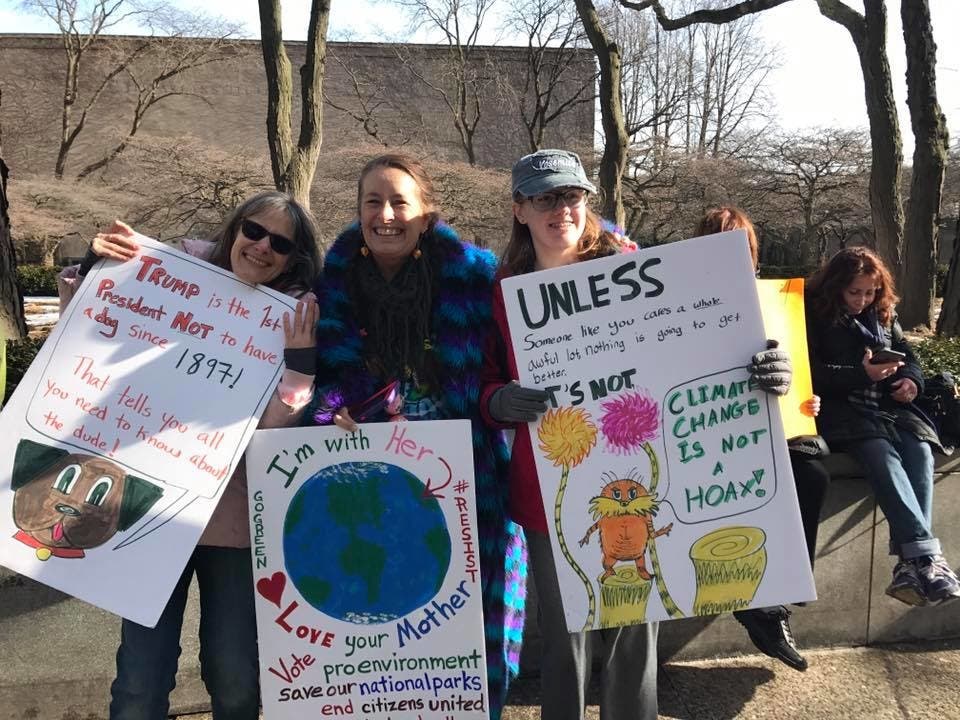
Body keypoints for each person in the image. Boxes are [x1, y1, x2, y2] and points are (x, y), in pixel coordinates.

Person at [480, 152, 790, 720]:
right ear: (520, 209)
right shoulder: (501, 294)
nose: (561, 209)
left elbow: (705, 346)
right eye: (544, 198)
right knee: (567, 636)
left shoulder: (643, 274)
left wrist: (764, 366)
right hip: (549, 491)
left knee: (633, 631)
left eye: (571, 195)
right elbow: (483, 379)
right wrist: (498, 401)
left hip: (641, 482)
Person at [58, 190, 322, 720]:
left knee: (237, 679)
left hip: (234, 523)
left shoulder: (295, 317)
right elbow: (85, 348)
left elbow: (272, 435)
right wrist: (95, 269)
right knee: (140, 680)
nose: (262, 247)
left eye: (280, 243)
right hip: (148, 512)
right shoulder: (169, 280)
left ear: (293, 258)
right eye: (254, 231)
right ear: (234, 229)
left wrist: (299, 369)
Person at [305, 153, 526, 720]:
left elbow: (539, 331)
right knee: (387, 633)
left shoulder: (477, 279)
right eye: (372, 201)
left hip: (471, 489)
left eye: (400, 202)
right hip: (374, 492)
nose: (385, 215)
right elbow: (313, 383)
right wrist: (331, 409)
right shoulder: (330, 288)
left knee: (472, 640)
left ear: (426, 214)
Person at [696, 206, 830, 672]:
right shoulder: (680, 298)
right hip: (707, 429)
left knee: (812, 474)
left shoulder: (775, 301)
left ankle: (777, 596)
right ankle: (765, 607)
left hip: (772, 426)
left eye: (743, 248)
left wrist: (804, 396)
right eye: (720, 246)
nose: (735, 257)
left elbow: (796, 364)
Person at [805, 246, 960, 607]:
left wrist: (911, 382)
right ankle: (926, 557)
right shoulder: (814, 313)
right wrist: (863, 374)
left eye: (870, 292)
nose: (862, 300)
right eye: (854, 292)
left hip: (890, 408)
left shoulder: (883, 313)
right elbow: (810, 372)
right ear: (836, 287)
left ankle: (912, 565)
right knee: (881, 455)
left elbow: (910, 356)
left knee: (920, 451)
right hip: (841, 412)